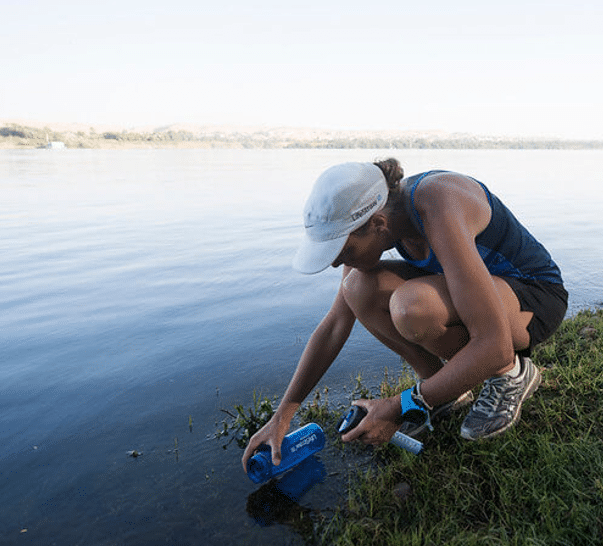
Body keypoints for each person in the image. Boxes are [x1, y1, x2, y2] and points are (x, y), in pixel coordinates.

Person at [241, 158, 567, 471]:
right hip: (485, 297)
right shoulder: (381, 216)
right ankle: (441, 391)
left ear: (378, 224)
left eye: (344, 251)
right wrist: (283, 414)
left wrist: (400, 406)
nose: (338, 264)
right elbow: (336, 324)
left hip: (534, 300)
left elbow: (493, 344)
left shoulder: (438, 202)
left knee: (412, 307)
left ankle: (510, 375)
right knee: (357, 288)